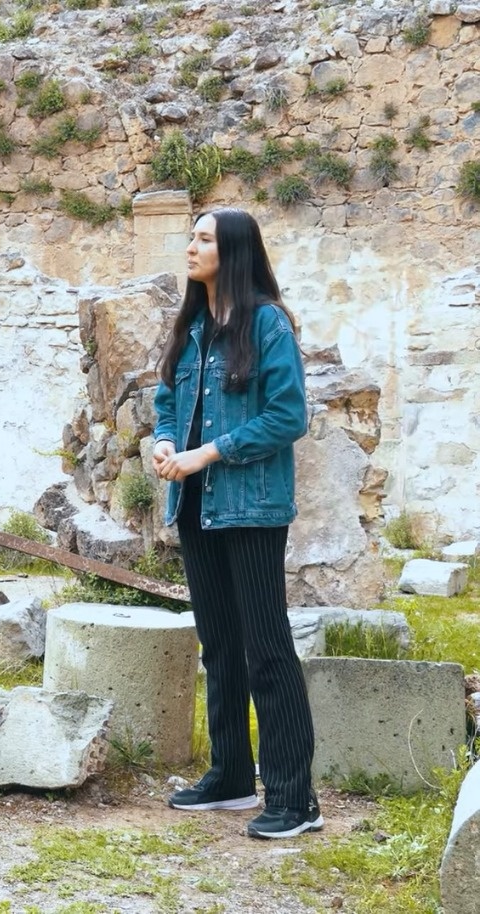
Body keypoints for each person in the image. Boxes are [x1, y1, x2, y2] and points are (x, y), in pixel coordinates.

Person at [151, 208, 321, 840]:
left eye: (203, 239)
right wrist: (166, 442)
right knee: (219, 642)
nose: (190, 247)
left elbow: (288, 415)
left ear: (234, 252)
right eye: (191, 237)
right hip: (195, 503)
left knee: (266, 648)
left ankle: (295, 798)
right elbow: (166, 397)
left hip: (250, 507)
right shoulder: (193, 326)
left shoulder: (267, 324)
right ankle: (229, 777)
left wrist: (209, 453)